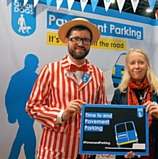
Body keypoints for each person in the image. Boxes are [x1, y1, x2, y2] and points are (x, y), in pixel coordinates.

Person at [26, 18, 108, 159]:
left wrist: (106, 144)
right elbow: (32, 107)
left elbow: (103, 110)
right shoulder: (50, 70)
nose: (80, 44)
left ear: (90, 44)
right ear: (66, 40)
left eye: (85, 40)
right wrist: (62, 114)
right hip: (56, 151)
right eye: (75, 39)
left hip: (86, 153)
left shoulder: (98, 74)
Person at [111, 48, 158, 159]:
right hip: (127, 155)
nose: (137, 66)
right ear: (128, 67)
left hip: (155, 154)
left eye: (141, 62)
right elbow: (113, 128)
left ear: (147, 65)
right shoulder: (119, 93)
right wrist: (123, 149)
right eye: (132, 63)